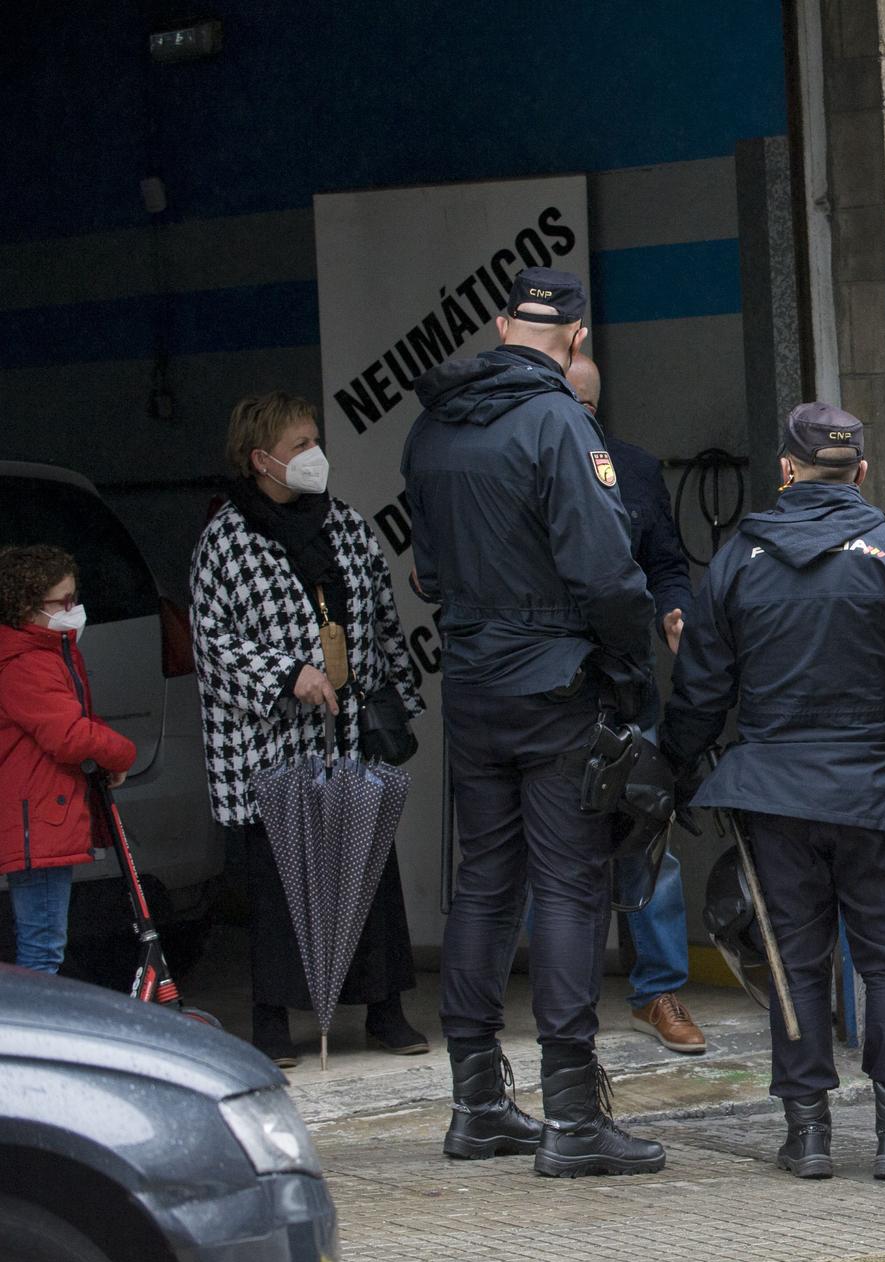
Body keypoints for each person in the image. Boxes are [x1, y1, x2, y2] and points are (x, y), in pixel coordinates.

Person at [661, 402, 885, 1183]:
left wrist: (674, 769)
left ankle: (806, 1133)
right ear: (862, 473)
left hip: (776, 799)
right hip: (875, 795)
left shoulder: (738, 559)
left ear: (784, 470)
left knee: (793, 961)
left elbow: (700, 688)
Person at [402, 267, 664, 1179]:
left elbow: (427, 573)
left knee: (484, 883)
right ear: (579, 339)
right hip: (558, 684)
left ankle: (476, 1104)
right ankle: (572, 1119)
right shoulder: (559, 422)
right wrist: (630, 676)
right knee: (567, 888)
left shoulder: (433, 424)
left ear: (503, 322)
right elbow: (606, 573)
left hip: (473, 685)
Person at [189, 392, 427, 1067]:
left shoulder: (345, 525)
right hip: (273, 743)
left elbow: (381, 614)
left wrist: (394, 701)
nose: (313, 455)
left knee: (369, 866)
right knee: (278, 882)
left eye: (314, 440)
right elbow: (213, 641)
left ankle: (385, 1009)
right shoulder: (227, 539)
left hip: (347, 730)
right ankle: (271, 1022)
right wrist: (286, 672)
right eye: (299, 445)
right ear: (260, 457)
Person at [563, 353, 704, 1056]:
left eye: (581, 407)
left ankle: (657, 990)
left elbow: (668, 564)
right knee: (562, 841)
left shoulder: (637, 469)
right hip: (554, 686)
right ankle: (568, 998)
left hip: (629, 684)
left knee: (649, 840)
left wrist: (675, 611)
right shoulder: (525, 462)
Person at [0, 545, 137, 975]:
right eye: (63, 601)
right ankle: (33, 1040)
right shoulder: (26, 663)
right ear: (27, 606)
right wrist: (121, 750)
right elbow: (69, 734)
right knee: (42, 950)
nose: (73, 609)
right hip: (36, 820)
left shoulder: (50, 652)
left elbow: (74, 715)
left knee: (43, 943)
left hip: (42, 816)